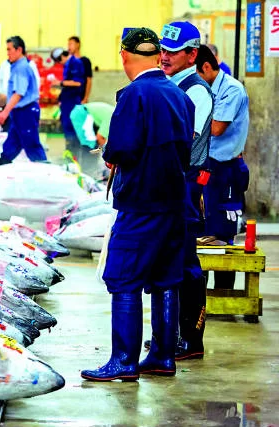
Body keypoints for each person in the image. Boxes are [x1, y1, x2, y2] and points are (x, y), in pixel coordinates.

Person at [80, 27, 194, 382]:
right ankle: (162, 355)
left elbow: (122, 149)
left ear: (124, 55)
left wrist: (108, 153)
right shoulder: (179, 95)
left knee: (124, 279)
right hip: (175, 203)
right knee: (166, 279)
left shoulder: (134, 95)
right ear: (159, 55)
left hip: (141, 205)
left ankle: (124, 361)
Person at [160, 21, 214, 361]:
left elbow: (182, 141)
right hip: (170, 183)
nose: (164, 57)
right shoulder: (169, 85)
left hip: (187, 183)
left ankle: (191, 339)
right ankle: (171, 336)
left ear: (192, 55)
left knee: (186, 261)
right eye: (162, 50)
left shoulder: (195, 91)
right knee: (169, 258)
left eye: (172, 52)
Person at [196, 44, 250, 290]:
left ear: (206, 67)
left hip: (225, 168)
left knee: (223, 233)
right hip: (207, 164)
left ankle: (224, 293)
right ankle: (201, 297)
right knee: (202, 230)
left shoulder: (231, 90)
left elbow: (217, 128)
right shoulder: (205, 88)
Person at [0, 36, 47, 165]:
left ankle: (44, 169)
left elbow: (19, 93)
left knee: (31, 143)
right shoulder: (17, 66)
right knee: (13, 142)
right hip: (19, 112)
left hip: (26, 111)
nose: (8, 53)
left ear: (19, 50)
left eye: (9, 49)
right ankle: (3, 162)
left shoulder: (21, 68)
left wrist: (5, 112)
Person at [50, 47, 85, 147]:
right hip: (66, 100)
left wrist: (59, 82)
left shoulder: (75, 63)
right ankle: (69, 151)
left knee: (72, 127)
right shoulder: (68, 64)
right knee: (67, 127)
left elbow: (78, 83)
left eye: (59, 61)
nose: (60, 63)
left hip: (72, 101)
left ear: (61, 57)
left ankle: (73, 152)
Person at [68, 36, 93, 104]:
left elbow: (89, 80)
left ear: (78, 44)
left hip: (81, 99)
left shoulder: (85, 61)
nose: (69, 47)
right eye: (68, 44)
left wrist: (85, 98)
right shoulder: (68, 62)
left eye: (71, 44)